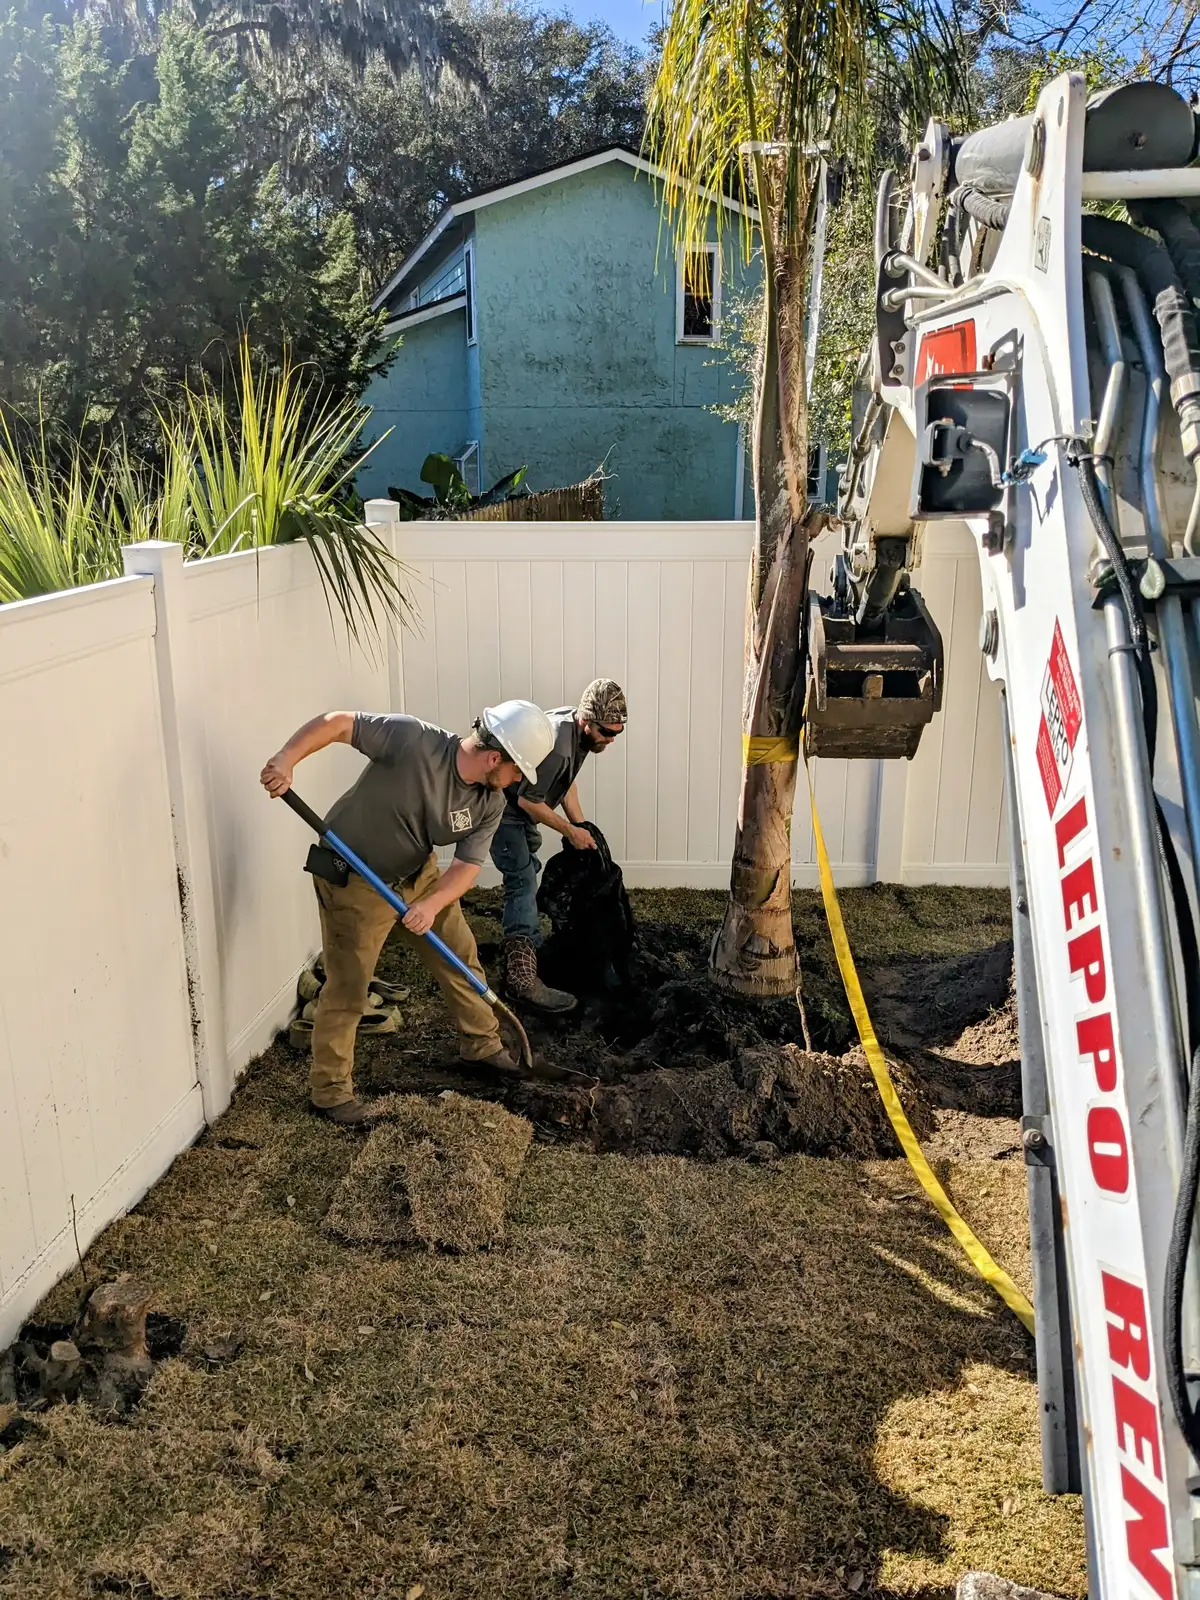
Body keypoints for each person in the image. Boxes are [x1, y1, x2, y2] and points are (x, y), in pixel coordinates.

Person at [260, 701, 554, 1125]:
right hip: (354, 878)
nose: (517, 783)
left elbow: (467, 867)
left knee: (461, 955)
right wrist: (286, 759)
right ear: (495, 758)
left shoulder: (489, 802)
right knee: (349, 987)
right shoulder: (413, 740)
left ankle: (482, 1045)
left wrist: (431, 905)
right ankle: (330, 1093)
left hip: (419, 875)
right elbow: (338, 724)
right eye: (517, 772)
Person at [489, 677, 628, 1012]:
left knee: (529, 870)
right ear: (586, 721)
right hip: (501, 809)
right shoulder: (557, 747)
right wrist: (569, 831)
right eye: (606, 733)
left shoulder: (576, 735)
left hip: (519, 807)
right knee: (521, 879)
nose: (611, 740)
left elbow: (566, 783)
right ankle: (521, 977)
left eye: (617, 733)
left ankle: (524, 937)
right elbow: (527, 802)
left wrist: (581, 826)